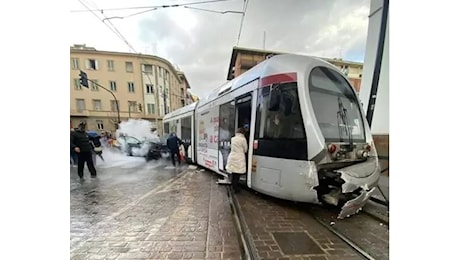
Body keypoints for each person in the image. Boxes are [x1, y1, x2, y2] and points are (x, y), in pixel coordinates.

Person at [225, 127, 248, 193]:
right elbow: (245, 149)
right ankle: (236, 188)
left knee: (233, 173)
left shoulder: (233, 139)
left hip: (232, 156)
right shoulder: (243, 139)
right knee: (237, 174)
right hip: (239, 157)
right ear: (243, 132)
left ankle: (233, 187)